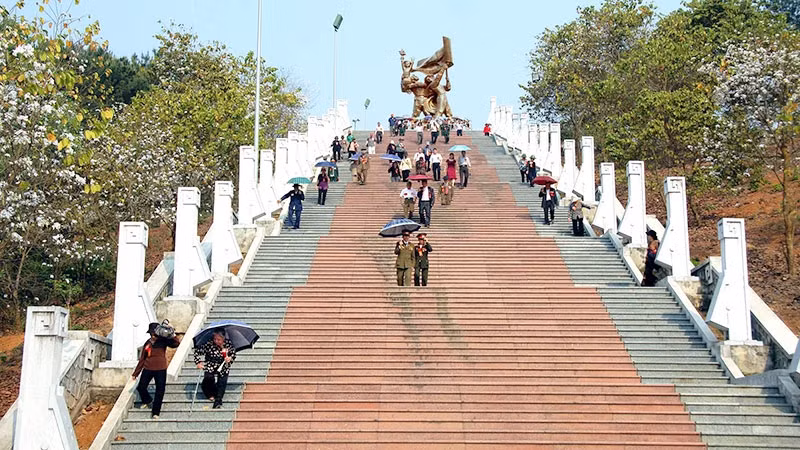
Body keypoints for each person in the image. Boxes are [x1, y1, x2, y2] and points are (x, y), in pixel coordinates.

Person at [132, 322, 181, 419]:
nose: (153, 336)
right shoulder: (148, 343)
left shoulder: (163, 341)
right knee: (141, 387)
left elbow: (176, 344)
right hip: (148, 368)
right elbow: (142, 359)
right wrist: (135, 373)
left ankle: (156, 412)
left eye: (154, 334)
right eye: (151, 334)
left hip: (161, 369)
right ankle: (148, 400)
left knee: (160, 390)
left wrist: (172, 334)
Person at [194, 330, 236, 409]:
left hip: (223, 364)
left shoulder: (228, 344)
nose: (216, 341)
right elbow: (197, 351)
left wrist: (229, 358)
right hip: (211, 363)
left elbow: (233, 354)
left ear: (223, 339)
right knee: (209, 378)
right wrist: (198, 363)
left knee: (222, 381)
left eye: (219, 339)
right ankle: (209, 392)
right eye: (215, 339)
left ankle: (218, 400)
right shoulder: (209, 344)